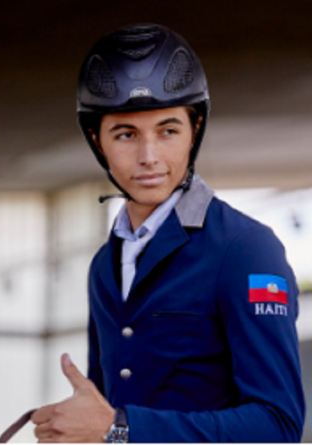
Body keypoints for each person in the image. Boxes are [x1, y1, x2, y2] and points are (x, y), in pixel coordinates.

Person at [31, 24, 304, 443]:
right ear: (96, 140)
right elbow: (104, 415)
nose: (149, 157)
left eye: (168, 131)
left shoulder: (247, 250)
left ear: (194, 130)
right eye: (126, 134)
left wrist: (119, 428)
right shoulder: (104, 265)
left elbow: (278, 426)